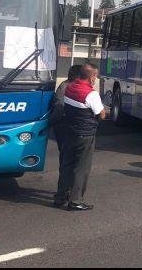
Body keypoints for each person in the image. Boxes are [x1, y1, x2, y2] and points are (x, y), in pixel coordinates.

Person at [58, 63, 106, 211]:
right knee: (81, 168)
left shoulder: (69, 88)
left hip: (69, 132)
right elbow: (102, 115)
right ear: (91, 77)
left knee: (66, 165)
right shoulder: (91, 94)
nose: (95, 78)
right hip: (85, 135)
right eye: (95, 76)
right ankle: (75, 201)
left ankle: (60, 197)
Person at [51, 64, 83, 207]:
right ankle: (63, 193)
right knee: (68, 161)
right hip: (66, 128)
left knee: (67, 161)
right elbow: (59, 109)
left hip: (64, 128)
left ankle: (64, 191)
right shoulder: (67, 88)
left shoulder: (65, 86)